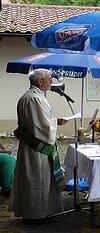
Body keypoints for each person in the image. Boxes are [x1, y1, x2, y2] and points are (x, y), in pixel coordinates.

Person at [10, 69, 67, 221]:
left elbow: (37, 122)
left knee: (38, 179)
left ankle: (40, 212)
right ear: (40, 81)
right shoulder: (33, 99)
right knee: (37, 180)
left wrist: (53, 121)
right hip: (36, 148)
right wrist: (57, 122)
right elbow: (41, 126)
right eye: (49, 79)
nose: (52, 82)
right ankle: (34, 216)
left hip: (32, 145)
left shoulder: (33, 96)